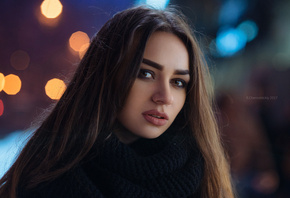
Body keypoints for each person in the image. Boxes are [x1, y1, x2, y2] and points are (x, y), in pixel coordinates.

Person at [0, 6, 234, 198]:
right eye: (146, 74)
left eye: (178, 82)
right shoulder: (43, 178)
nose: (165, 97)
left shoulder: (204, 178)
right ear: (107, 74)